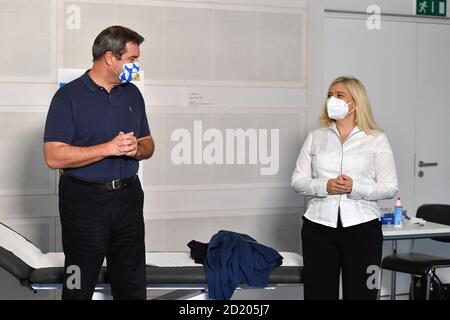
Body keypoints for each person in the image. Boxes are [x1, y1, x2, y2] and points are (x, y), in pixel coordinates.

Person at [43, 26, 154, 300]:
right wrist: (108, 148)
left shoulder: (132, 94)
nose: (136, 66)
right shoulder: (67, 97)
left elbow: (149, 144)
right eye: (131, 60)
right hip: (84, 203)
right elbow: (53, 156)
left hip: (128, 198)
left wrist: (135, 148)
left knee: (132, 283)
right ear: (109, 58)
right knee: (78, 284)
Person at [291, 76, 398, 300]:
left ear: (355, 102)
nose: (332, 100)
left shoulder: (376, 139)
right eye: (330, 95)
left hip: (363, 230)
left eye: (340, 95)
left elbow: (390, 187)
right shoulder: (315, 137)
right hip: (318, 228)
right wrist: (325, 186)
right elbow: (297, 181)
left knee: (364, 294)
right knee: (318, 295)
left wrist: (355, 187)